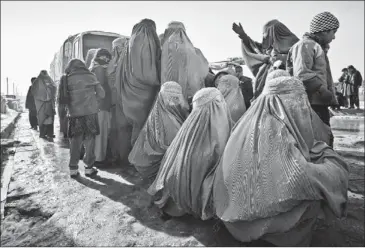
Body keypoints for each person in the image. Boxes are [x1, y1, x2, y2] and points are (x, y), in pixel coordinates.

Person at [211, 71, 349, 246]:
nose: (301, 107)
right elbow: (299, 179)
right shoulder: (275, 132)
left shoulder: (248, 121)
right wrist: (334, 166)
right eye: (296, 101)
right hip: (255, 224)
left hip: (232, 216)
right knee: (320, 191)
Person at [147, 88, 232, 221]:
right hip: (189, 196)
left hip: (177, 194)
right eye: (219, 102)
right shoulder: (216, 126)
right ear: (216, 105)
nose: (223, 105)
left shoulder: (189, 127)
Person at [286, 11, 340, 147]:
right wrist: (322, 90)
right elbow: (302, 73)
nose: (334, 37)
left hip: (318, 102)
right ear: (323, 31)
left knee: (324, 138)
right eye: (333, 32)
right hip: (310, 103)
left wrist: (330, 96)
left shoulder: (316, 47)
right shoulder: (305, 45)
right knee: (318, 140)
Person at [129, 81, 190, 179]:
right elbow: (175, 146)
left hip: (143, 163)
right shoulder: (167, 120)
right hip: (150, 167)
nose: (174, 101)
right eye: (171, 98)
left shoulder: (160, 109)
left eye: (176, 98)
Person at [58, 59, 105, 178]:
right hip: (90, 114)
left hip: (74, 115)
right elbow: (102, 94)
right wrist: (94, 101)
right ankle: (89, 168)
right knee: (90, 142)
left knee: (75, 142)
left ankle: (73, 169)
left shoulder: (66, 79)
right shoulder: (91, 76)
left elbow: (61, 101)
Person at [119, 19, 162, 146]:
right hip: (144, 94)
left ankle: (132, 156)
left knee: (134, 126)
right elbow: (148, 74)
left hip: (128, 91)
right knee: (141, 126)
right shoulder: (146, 38)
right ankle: (137, 159)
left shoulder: (131, 42)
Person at [232, 19, 299, 99]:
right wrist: (243, 36)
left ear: (272, 32)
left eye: (264, 33)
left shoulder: (297, 47)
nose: (263, 36)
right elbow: (255, 49)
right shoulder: (268, 50)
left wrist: (276, 60)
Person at [161, 21, 209, 103]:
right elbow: (203, 73)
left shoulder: (161, 53)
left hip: (167, 100)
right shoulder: (196, 52)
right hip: (192, 100)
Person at [108, 37, 132, 165]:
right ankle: (122, 156)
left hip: (117, 102)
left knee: (119, 130)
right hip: (124, 101)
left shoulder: (113, 63)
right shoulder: (130, 61)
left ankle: (119, 156)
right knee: (123, 130)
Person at [89, 48, 113, 166]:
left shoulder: (94, 67)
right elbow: (102, 85)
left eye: (108, 57)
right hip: (101, 105)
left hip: (98, 105)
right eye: (105, 57)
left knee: (98, 133)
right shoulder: (99, 69)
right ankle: (99, 159)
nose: (107, 59)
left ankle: (96, 157)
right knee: (101, 133)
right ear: (99, 57)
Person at [31, 70, 57, 141]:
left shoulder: (50, 80)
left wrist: (50, 88)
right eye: (43, 73)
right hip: (41, 103)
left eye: (45, 73)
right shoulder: (37, 81)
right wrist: (44, 94)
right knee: (42, 118)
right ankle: (42, 134)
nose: (45, 74)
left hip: (49, 103)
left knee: (50, 119)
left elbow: (55, 87)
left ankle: (50, 133)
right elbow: (34, 91)